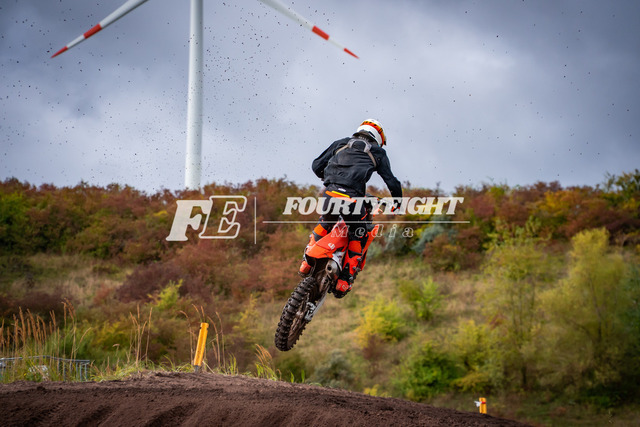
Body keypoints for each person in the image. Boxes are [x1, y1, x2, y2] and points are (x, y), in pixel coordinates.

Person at [299, 118, 403, 298]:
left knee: (326, 222)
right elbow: (391, 181)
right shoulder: (377, 152)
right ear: (378, 137)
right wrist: (397, 203)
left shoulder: (341, 143)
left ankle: (306, 263)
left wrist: (330, 177)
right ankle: (344, 281)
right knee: (358, 234)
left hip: (330, 193)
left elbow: (316, 166)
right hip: (352, 198)